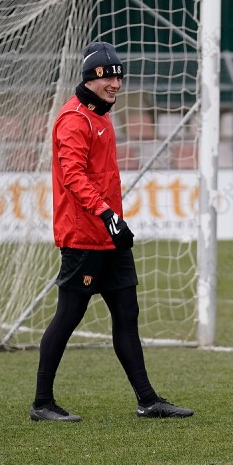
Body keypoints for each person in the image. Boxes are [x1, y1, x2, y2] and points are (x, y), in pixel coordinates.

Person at [30, 42, 193, 422]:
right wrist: (107, 214)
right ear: (89, 79)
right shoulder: (75, 119)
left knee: (127, 313)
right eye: (108, 77)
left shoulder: (100, 116)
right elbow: (73, 176)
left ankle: (147, 400)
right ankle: (41, 403)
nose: (116, 84)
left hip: (109, 234)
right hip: (84, 237)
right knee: (69, 315)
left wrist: (112, 220)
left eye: (119, 77)